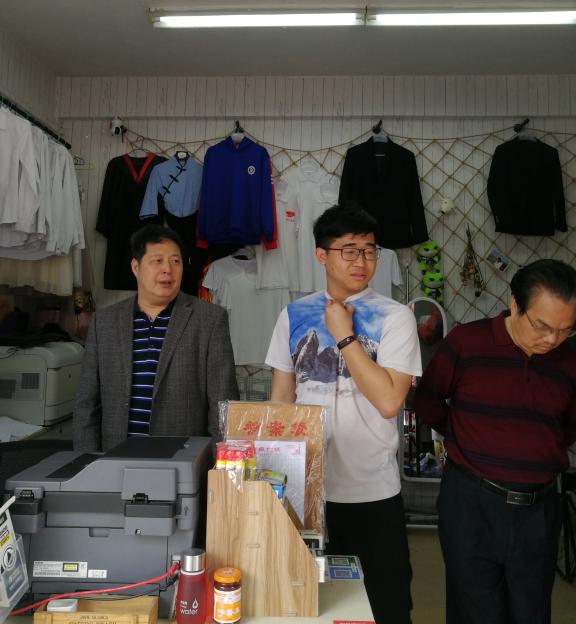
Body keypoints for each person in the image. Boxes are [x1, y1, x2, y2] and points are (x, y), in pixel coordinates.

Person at [266, 203, 422, 624]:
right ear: (322, 255)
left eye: (369, 251)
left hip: (373, 492)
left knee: (386, 606)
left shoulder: (395, 317)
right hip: (305, 492)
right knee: (309, 605)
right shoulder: (294, 315)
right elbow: (282, 398)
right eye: (349, 250)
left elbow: (389, 401)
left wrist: (344, 335)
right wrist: (273, 478)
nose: (361, 261)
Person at [414, 259, 576, 624]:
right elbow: (428, 400)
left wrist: (533, 450)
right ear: (515, 305)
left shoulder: (569, 362)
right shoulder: (467, 344)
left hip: (538, 511)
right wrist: (467, 436)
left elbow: (567, 428)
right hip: (471, 504)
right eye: (542, 326)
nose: (552, 339)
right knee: (474, 612)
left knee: (531, 612)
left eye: (565, 330)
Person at [73, 225, 239, 451]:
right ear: (136, 267)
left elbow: (224, 408)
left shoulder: (209, 320)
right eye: (157, 261)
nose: (167, 270)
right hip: (115, 458)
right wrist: (87, 463)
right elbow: (87, 404)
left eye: (175, 261)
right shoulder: (104, 322)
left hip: (182, 461)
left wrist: (214, 467)